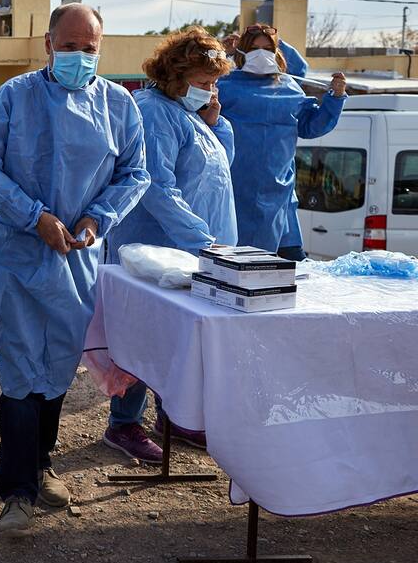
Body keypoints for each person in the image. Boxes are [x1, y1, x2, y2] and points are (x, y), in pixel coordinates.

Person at [0, 3, 150, 539]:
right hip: (20, 257)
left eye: (89, 49)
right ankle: (17, 493)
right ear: (48, 44)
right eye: (69, 48)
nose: (79, 57)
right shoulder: (14, 97)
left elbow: (135, 173)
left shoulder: (119, 105)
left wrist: (96, 218)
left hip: (77, 259)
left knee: (58, 369)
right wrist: (34, 216)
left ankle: (42, 464)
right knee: (21, 375)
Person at [101, 27, 237, 458]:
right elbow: (157, 187)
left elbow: (219, 167)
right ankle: (124, 424)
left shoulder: (187, 113)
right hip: (154, 246)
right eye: (203, 82)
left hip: (187, 248)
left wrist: (216, 122)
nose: (210, 90)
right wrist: (203, 241)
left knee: (174, 339)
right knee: (142, 337)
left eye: (214, 83)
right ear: (176, 76)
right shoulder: (154, 112)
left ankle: (172, 417)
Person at [219, 24, 346, 258]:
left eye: (267, 48)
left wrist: (335, 99)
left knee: (290, 265)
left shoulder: (289, 88)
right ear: (242, 52)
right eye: (253, 48)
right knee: (237, 264)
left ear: (276, 52)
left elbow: (310, 126)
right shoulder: (223, 86)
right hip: (234, 192)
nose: (261, 54)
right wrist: (219, 54)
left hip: (279, 196)